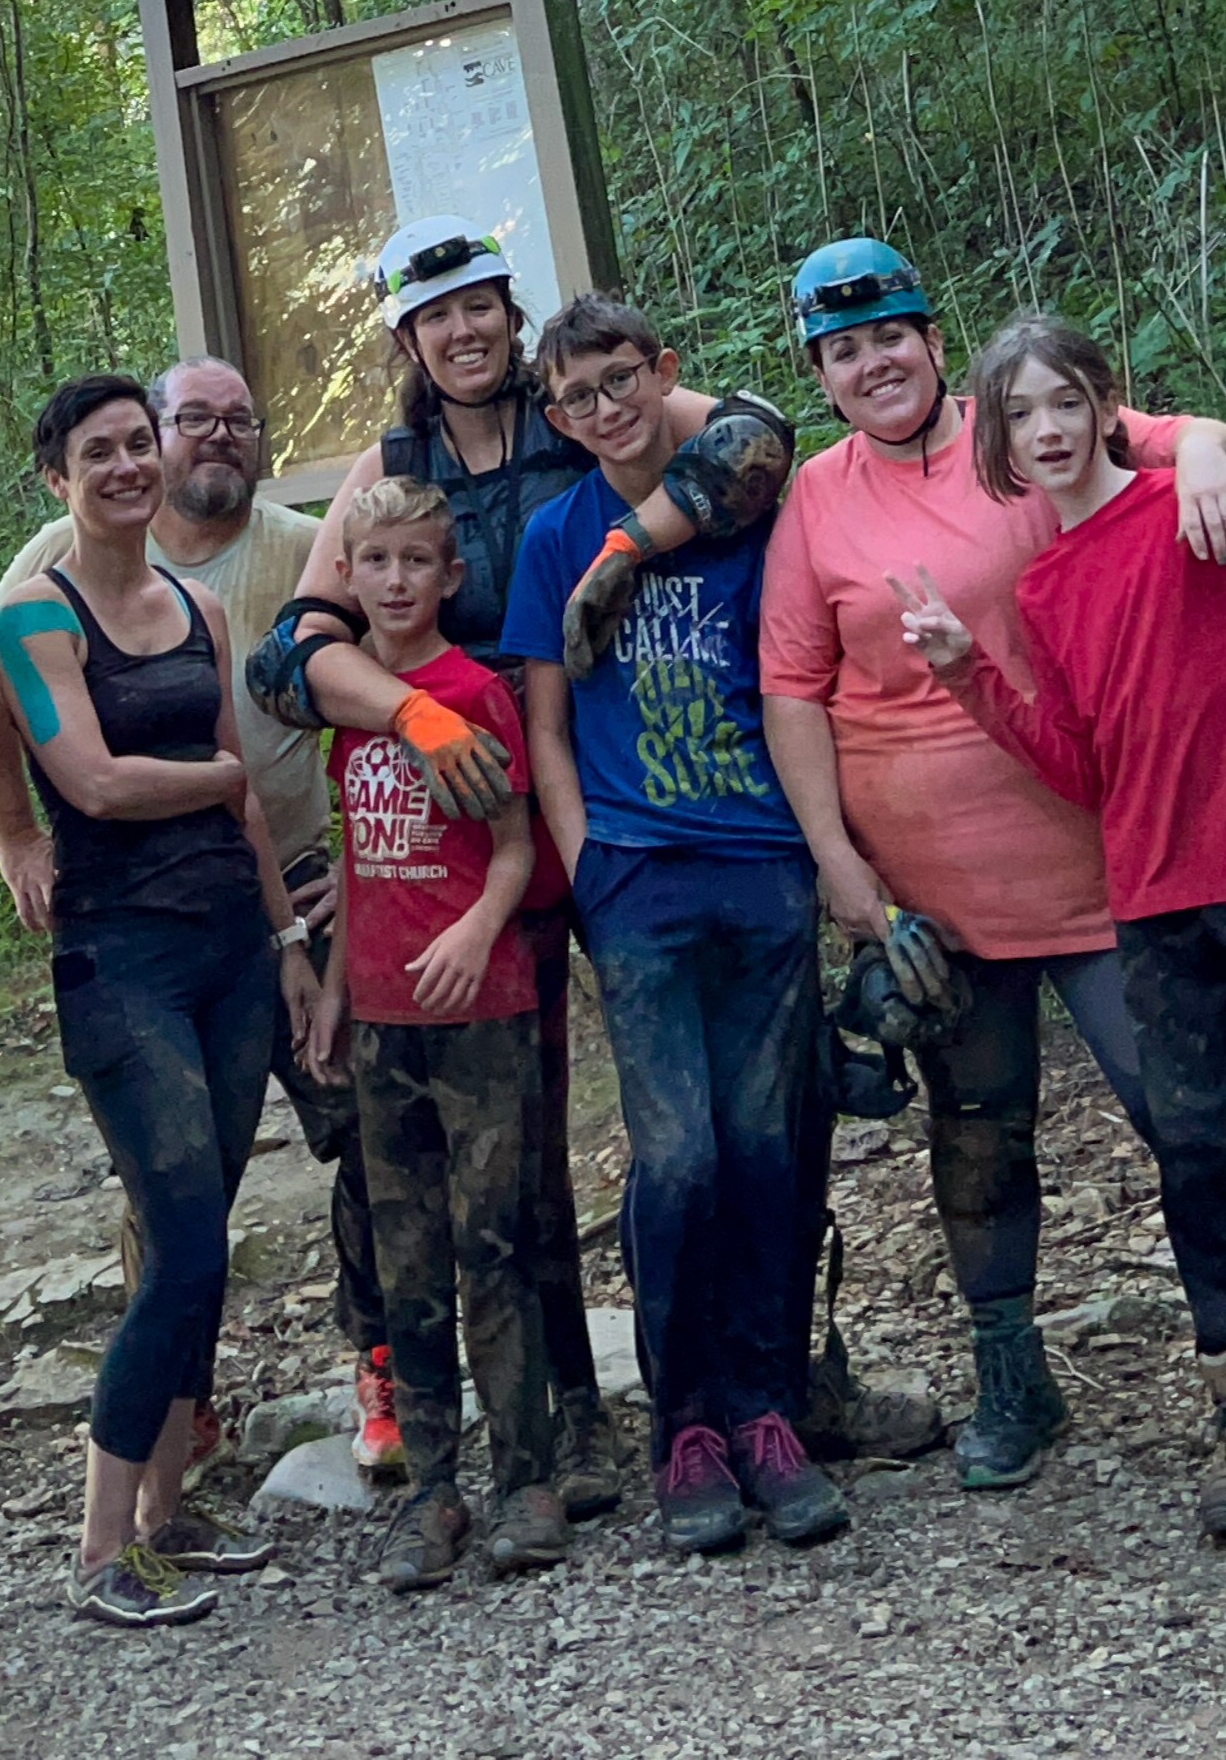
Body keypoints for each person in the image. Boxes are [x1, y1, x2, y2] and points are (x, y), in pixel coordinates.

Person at [755, 238, 1226, 1488]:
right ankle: (1015, 1373)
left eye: (889, 334)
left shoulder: (1019, 427)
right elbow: (793, 686)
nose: (871, 362)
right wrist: (839, 863)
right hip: (932, 894)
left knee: (1189, 1119)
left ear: (934, 340)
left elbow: (1163, 437)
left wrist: (1208, 444)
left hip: (1108, 864)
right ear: (819, 377)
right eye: (841, 350)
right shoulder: (816, 502)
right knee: (979, 1130)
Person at [251, 218, 801, 1510]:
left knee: (722, 1117)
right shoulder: (395, 467)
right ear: (407, 339)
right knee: (499, 1134)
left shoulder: (584, 418)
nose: (465, 331)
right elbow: (289, 657)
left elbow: (757, 434)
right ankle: (542, 1411)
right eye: (436, 316)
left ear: (512, 313)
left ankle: (769, 1386)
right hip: (455, 806)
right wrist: (408, 713)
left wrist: (633, 541)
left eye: (482, 306)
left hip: (610, 787)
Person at [896, 313, 1226, 1540]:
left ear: (1102, 406)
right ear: (1001, 439)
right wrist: (968, 675)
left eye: (1062, 404)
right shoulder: (1042, 586)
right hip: (1154, 900)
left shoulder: (1200, 509)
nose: (1045, 431)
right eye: (1019, 415)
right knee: (1198, 1149)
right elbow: (1082, 767)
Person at [0, 356, 399, 1470]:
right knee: (174, 1196)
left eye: (237, 422)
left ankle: (383, 1366)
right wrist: (13, 831)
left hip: (283, 887)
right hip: (135, 920)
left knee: (360, 1125)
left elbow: (374, 667)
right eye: (189, 421)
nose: (212, 440)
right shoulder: (49, 574)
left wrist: (318, 914)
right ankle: (175, 1425)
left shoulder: (299, 548)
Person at [506, 293, 848, 1556]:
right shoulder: (556, 536)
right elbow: (544, 721)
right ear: (553, 416)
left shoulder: (749, 514)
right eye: (578, 397)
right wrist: (590, 864)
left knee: (768, 1147)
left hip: (762, 860)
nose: (606, 410)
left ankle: (768, 1408)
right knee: (679, 1159)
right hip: (638, 879)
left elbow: (806, 673)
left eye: (621, 381)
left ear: (664, 374)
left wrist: (825, 854)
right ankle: (685, 1425)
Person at [0, 373, 316, 1627]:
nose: (127, 466)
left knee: (207, 1237)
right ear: (55, 479)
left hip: (234, 944)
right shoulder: (33, 618)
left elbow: (229, 793)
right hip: (120, 960)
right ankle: (98, 1549)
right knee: (176, 1243)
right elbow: (98, 782)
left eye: (139, 444)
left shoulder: (194, 609)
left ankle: (170, 1513)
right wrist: (205, 773)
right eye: (99, 452)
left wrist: (288, 934)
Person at [304, 477, 570, 1590]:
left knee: (494, 1243)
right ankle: (434, 1487)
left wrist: (476, 929)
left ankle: (528, 1480)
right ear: (350, 578)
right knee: (404, 1257)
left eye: (418, 563)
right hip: (381, 1019)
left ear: (449, 575)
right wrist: (330, 991)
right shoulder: (357, 713)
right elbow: (359, 866)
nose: (399, 582)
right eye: (378, 564)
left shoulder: (474, 695)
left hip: (482, 1011)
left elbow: (515, 844)